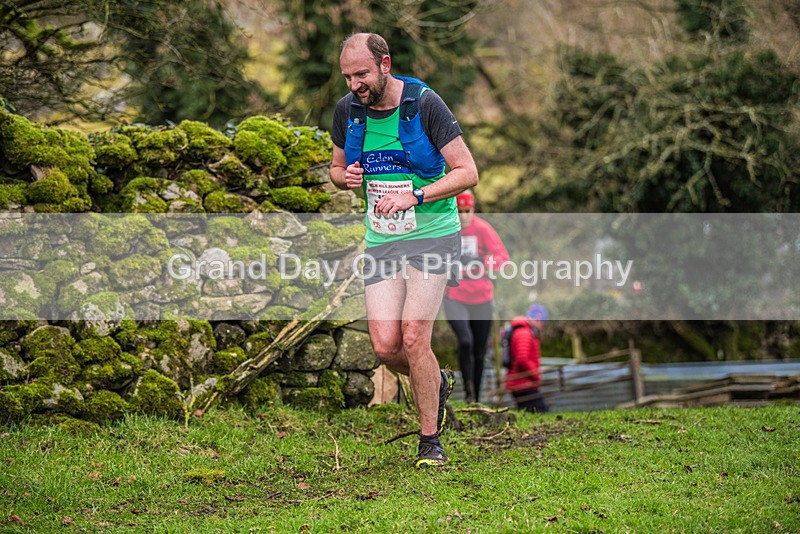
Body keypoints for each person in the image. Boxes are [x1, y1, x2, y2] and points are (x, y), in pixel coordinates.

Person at [329, 33, 479, 467]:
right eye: (347, 76)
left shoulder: (425, 104)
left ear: (384, 64)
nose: (354, 84)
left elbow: (468, 172)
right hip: (382, 240)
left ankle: (430, 440)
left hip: (432, 233)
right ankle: (438, 380)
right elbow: (336, 170)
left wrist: (417, 195)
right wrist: (346, 178)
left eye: (361, 74)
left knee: (414, 336)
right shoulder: (348, 112)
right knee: (385, 346)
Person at [443, 190, 509, 403]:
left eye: (467, 211)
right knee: (465, 342)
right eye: (459, 211)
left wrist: (482, 264)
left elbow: (501, 258)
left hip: (481, 298)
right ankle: (468, 391)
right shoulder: (446, 228)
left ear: (473, 209)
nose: (463, 216)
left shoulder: (483, 229)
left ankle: (475, 398)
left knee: (480, 352)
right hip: (455, 295)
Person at [504, 304, 549, 413]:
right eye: (541, 321)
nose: (542, 325)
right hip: (522, 383)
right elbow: (522, 359)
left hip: (521, 382)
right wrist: (535, 375)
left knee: (529, 410)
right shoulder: (524, 333)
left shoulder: (525, 331)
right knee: (541, 411)